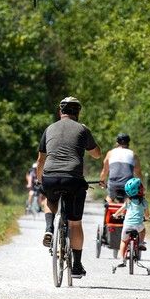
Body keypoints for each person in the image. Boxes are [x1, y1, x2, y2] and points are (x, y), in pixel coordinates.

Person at [37, 96, 102, 277]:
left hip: (50, 175)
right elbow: (97, 154)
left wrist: (39, 180)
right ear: (78, 112)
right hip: (73, 178)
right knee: (75, 223)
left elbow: (40, 159)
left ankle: (49, 229)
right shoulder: (83, 129)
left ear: (60, 111)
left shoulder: (49, 129)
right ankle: (77, 266)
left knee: (50, 199)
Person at [112, 177, 150, 265]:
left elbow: (120, 211)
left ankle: (122, 259)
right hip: (138, 225)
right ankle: (141, 242)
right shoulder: (144, 202)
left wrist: (115, 215)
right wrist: (148, 218)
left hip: (127, 225)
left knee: (123, 242)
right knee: (143, 230)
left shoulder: (128, 202)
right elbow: (147, 215)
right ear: (140, 190)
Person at [99, 132, 142, 203]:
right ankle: (126, 209)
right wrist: (142, 185)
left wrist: (102, 181)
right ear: (128, 142)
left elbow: (105, 170)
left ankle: (108, 209)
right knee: (128, 200)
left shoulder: (110, 153)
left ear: (117, 142)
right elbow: (138, 172)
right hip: (128, 184)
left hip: (113, 183)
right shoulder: (133, 154)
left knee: (109, 197)